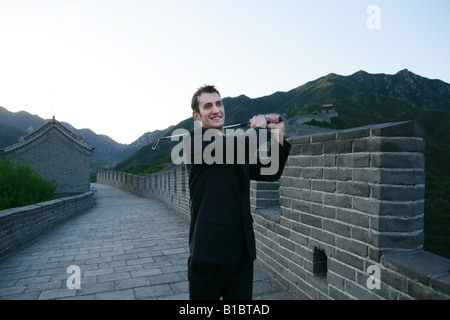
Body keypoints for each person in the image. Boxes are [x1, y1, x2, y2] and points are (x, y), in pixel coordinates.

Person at [186, 85, 291, 300]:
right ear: (197, 115)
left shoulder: (234, 147)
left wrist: (278, 135)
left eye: (219, 103)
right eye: (208, 106)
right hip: (209, 252)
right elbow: (243, 145)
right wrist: (260, 127)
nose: (216, 109)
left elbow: (270, 172)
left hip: (241, 251)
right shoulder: (196, 141)